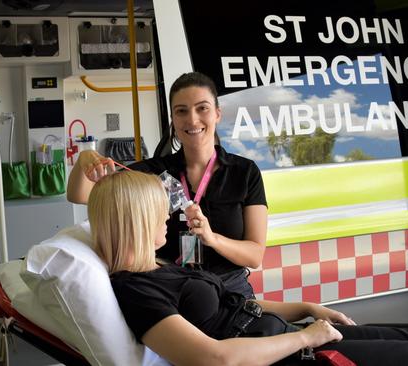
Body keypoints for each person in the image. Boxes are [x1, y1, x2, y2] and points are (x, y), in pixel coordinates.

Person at [90, 170, 408, 366]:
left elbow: (240, 306)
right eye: (158, 212)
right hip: (297, 356)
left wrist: (309, 307)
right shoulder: (136, 290)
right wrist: (307, 336)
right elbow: (215, 358)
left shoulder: (159, 266)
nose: (167, 218)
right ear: (135, 219)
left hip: (294, 335)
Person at [68, 71, 267, 298]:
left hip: (230, 290)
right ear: (173, 119)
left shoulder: (244, 172)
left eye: (202, 108)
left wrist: (212, 239)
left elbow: (255, 256)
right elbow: (80, 195)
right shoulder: (152, 172)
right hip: (171, 288)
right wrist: (84, 159)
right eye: (181, 111)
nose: (192, 120)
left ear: (217, 114)